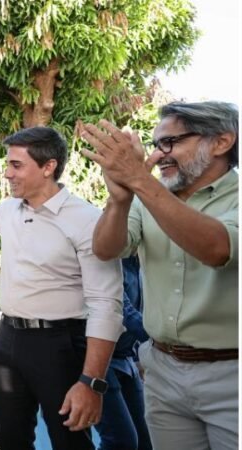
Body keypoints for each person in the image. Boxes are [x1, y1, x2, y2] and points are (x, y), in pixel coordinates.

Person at [0, 127, 123, 450]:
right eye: (8, 164)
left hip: (59, 346)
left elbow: (106, 305)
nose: (6, 174)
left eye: (16, 165)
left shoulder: (87, 220)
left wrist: (91, 382)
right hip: (6, 341)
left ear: (49, 167)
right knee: (9, 440)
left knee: (70, 442)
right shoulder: (9, 209)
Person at [81, 101, 238, 450]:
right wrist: (120, 200)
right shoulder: (148, 198)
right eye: (155, 145)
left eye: (171, 142)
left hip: (232, 376)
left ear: (221, 142)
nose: (159, 155)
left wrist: (137, 178)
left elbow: (217, 248)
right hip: (163, 370)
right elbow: (106, 249)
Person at [93, 256, 151, 450]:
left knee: (146, 440)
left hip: (126, 359)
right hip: (100, 359)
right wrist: (165, 338)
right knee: (121, 442)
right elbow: (125, 314)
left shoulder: (139, 265)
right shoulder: (110, 264)